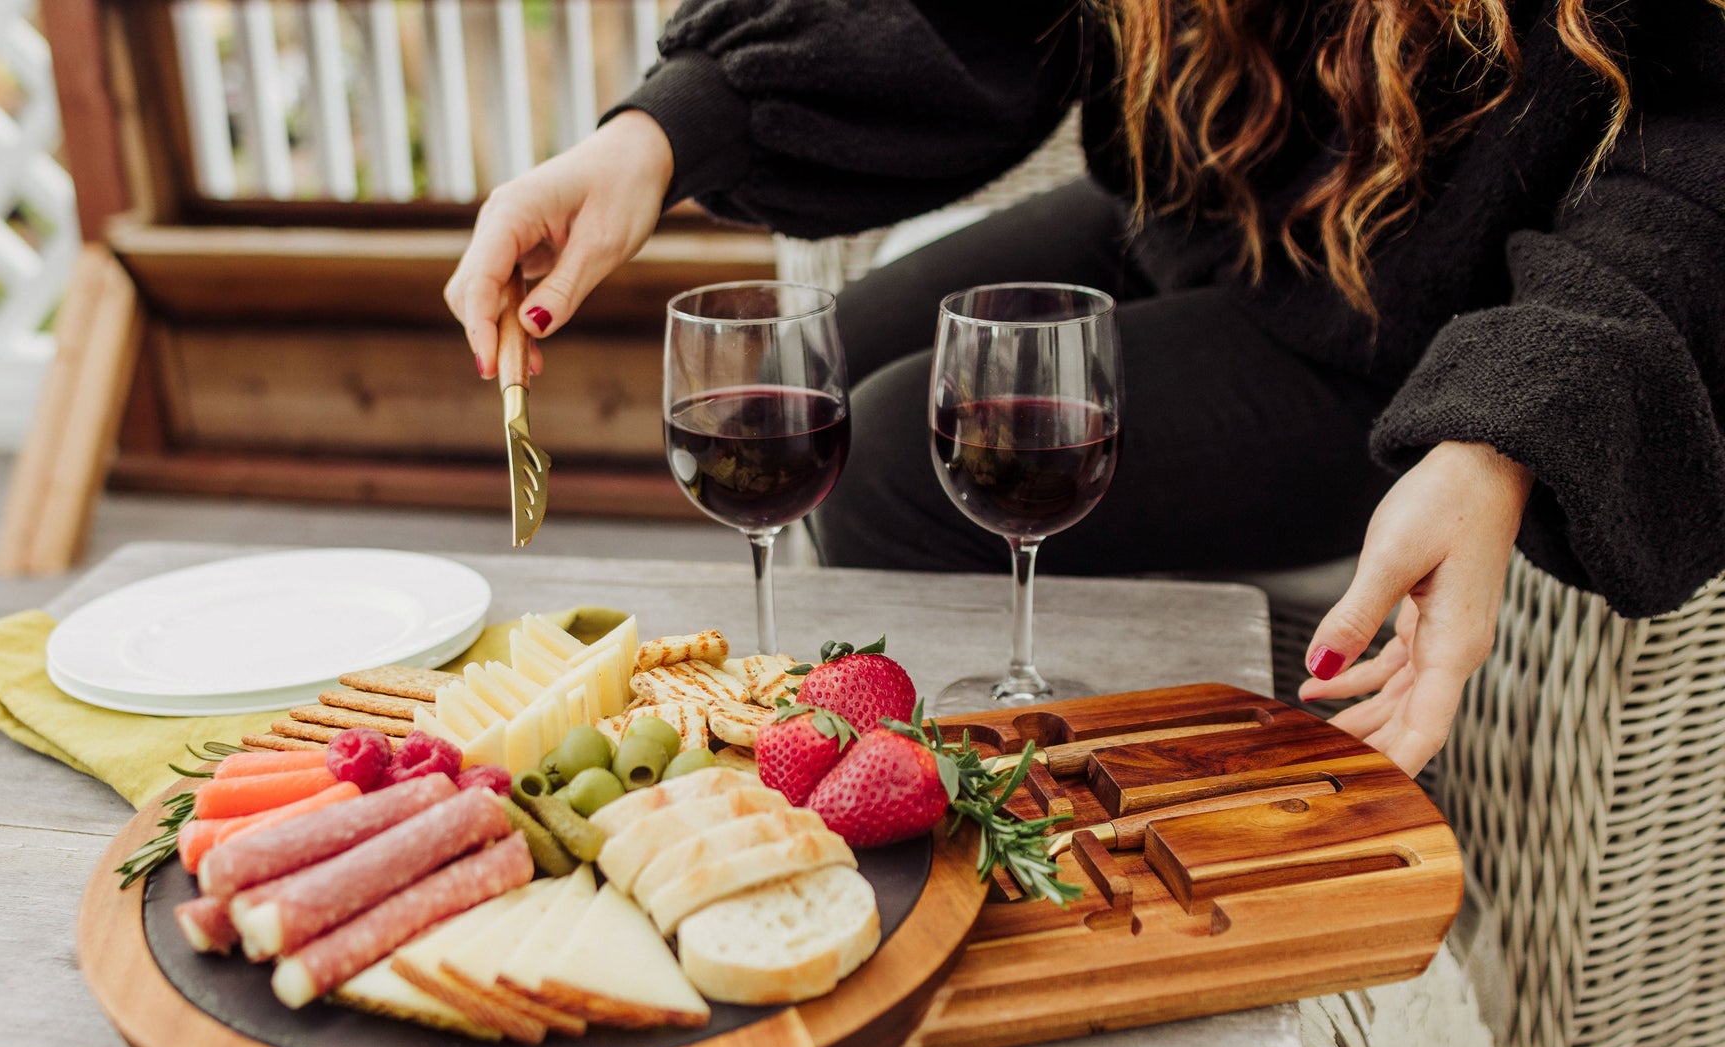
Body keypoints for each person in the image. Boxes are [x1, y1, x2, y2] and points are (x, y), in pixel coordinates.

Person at [446, 0, 1725, 777]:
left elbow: (1698, 141)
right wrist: (661, 135)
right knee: (825, 361)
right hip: (1197, 210)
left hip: (1425, 335)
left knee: (892, 457)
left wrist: (1508, 425)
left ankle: (990, 797)